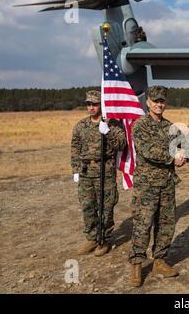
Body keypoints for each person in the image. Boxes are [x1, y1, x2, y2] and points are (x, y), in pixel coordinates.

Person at [128, 86, 185, 287]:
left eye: (162, 101)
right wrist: (173, 157)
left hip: (167, 184)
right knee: (142, 225)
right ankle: (136, 264)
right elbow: (148, 151)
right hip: (147, 185)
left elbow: (182, 145)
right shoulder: (140, 125)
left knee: (166, 224)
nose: (159, 104)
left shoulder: (171, 126)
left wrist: (183, 153)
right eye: (155, 101)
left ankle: (159, 260)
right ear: (148, 102)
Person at [71, 90, 126, 256]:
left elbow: (121, 145)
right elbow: (75, 148)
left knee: (106, 206)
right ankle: (92, 237)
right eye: (89, 104)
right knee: (87, 206)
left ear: (101, 105)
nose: (91, 107)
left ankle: (104, 239)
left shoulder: (112, 124)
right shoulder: (80, 125)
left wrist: (108, 132)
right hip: (86, 171)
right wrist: (75, 169)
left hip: (105, 171)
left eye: (95, 104)